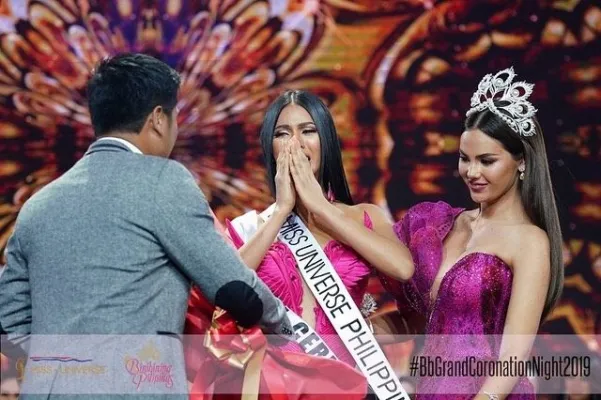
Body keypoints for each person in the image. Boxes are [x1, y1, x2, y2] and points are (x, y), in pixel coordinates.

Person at [0, 53, 291, 399]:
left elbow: (8, 322)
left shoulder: (36, 207)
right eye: (175, 117)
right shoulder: (163, 181)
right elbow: (235, 289)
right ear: (157, 119)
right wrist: (288, 329)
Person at [381, 67, 564, 399]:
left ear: (521, 161)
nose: (472, 172)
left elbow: (513, 357)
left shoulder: (530, 241)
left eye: (487, 161)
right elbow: (421, 320)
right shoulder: (444, 224)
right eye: (465, 159)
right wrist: (360, 326)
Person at [224, 89, 414, 365]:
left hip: (347, 377)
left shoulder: (364, 216)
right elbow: (226, 290)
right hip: (275, 379)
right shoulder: (252, 228)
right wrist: (281, 210)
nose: (295, 143)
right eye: (282, 134)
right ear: (270, 148)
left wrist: (321, 207)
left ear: (326, 141)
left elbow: (403, 268)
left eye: (308, 131)